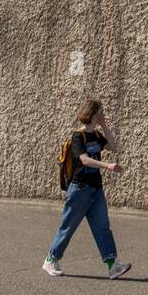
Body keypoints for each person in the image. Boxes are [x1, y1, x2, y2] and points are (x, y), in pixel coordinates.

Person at [43, 100, 131, 279]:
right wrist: (107, 165)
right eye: (100, 113)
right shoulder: (78, 136)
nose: (103, 115)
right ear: (92, 115)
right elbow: (84, 159)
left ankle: (112, 265)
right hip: (79, 189)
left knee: (103, 227)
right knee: (68, 226)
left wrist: (105, 127)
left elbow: (113, 147)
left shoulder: (97, 135)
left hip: (95, 189)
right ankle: (51, 259)